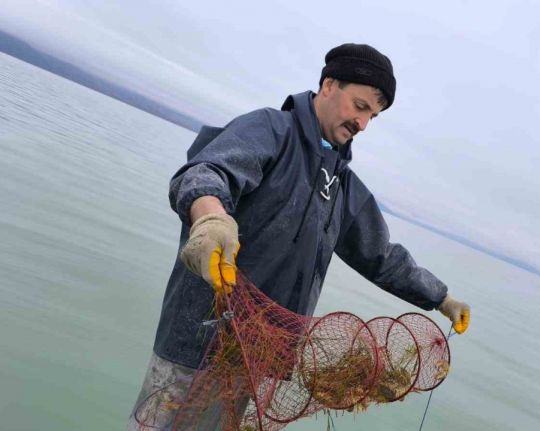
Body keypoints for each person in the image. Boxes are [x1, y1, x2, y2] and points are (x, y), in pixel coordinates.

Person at [128, 43, 470, 430]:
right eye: (360, 106)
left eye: (373, 116)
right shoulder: (270, 131)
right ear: (328, 85)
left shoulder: (342, 186)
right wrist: (210, 220)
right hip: (195, 343)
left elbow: (382, 256)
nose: (363, 124)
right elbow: (206, 172)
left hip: (257, 356)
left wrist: (440, 297)